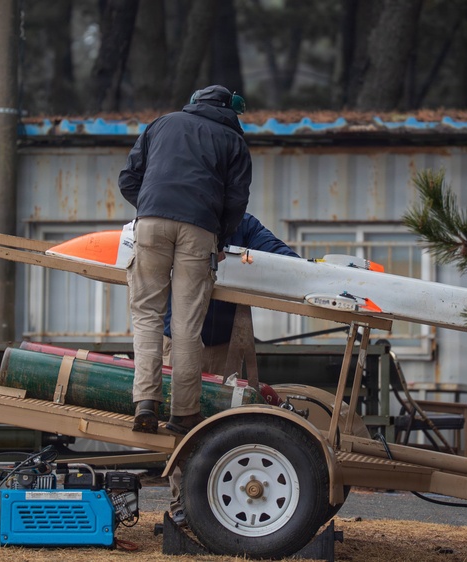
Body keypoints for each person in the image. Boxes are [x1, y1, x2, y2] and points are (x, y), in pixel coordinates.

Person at [118, 85, 251, 436]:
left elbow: (128, 179)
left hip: (149, 224)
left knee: (147, 316)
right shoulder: (233, 140)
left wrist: (151, 209)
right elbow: (237, 200)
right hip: (200, 229)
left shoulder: (160, 124)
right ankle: (184, 413)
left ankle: (145, 401)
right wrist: (218, 237)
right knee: (187, 326)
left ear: (193, 103)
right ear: (229, 110)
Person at [163, 213, 299, 525]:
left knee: (224, 426)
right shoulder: (180, 218)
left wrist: (253, 261)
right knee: (179, 423)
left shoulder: (243, 224)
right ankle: (182, 503)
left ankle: (213, 506)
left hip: (224, 343)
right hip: (180, 337)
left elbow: (283, 257)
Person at [162, 213, 300, 375]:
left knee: (224, 400)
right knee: (175, 398)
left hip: (225, 349)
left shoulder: (243, 224)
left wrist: (304, 269)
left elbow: (276, 251)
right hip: (178, 342)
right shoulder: (180, 220)